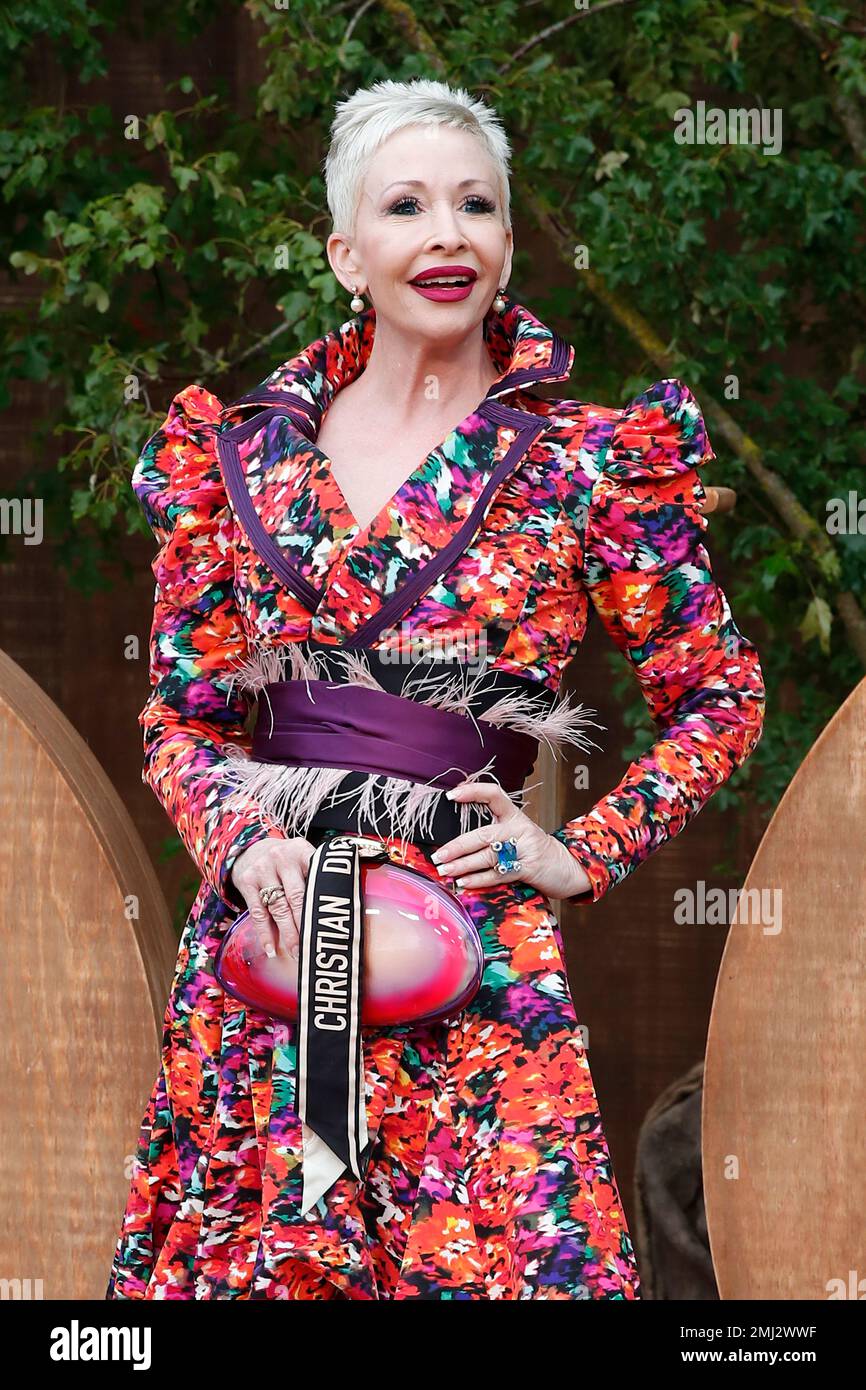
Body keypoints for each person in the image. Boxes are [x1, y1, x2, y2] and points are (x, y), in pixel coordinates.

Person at [106, 76, 765, 1301]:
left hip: (475, 960)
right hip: (267, 953)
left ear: (507, 242)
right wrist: (238, 838)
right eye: (405, 206)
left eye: (476, 205)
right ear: (345, 254)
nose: (446, 233)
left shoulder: (582, 463)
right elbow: (181, 716)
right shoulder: (233, 457)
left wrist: (582, 850)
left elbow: (718, 697)